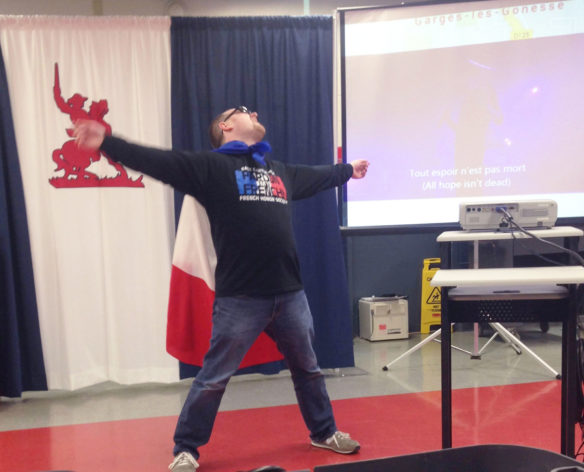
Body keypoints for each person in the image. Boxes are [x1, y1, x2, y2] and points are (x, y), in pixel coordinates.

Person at [74, 106, 369, 472]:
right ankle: (186, 449)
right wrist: (107, 142)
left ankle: (323, 432)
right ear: (225, 126)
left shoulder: (277, 171)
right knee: (213, 379)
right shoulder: (212, 169)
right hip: (241, 299)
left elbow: (317, 176)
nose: (255, 112)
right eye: (244, 111)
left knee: (308, 369)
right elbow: (159, 161)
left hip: (290, 293)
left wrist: (347, 171)